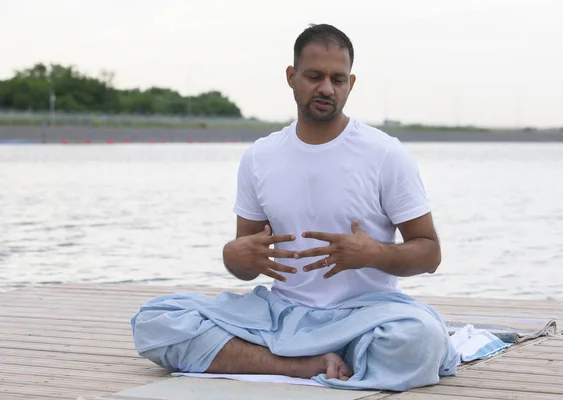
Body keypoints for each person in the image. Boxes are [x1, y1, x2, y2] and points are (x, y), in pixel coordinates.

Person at [131, 23, 459, 392]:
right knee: (156, 321)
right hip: (282, 314)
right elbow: (246, 265)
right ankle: (305, 365)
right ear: (291, 77)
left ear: (351, 83)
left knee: (420, 339)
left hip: (369, 314)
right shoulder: (260, 156)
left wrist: (374, 254)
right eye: (314, 76)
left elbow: (429, 253)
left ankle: (312, 355)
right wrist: (231, 255)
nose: (326, 88)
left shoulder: (385, 154)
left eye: (338, 79)